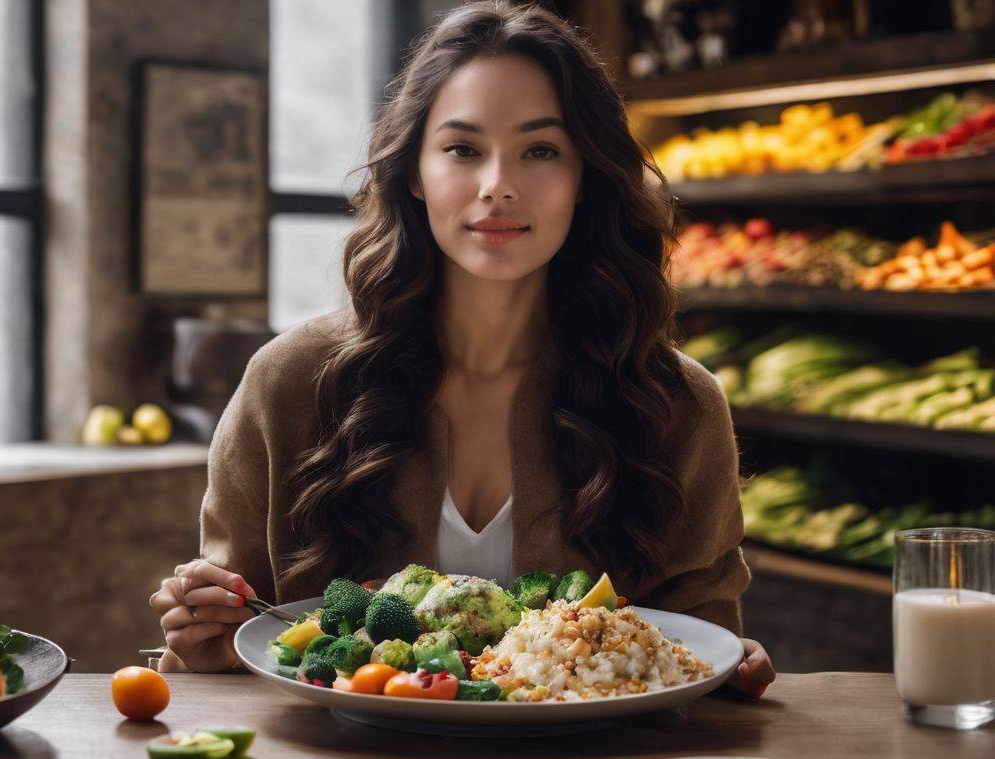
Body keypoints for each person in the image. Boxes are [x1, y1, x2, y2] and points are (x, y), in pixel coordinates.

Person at [149, 0, 775, 698]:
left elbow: (701, 652)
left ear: (585, 177)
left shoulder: (675, 404)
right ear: (414, 171)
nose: (497, 185)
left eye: (541, 150)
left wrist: (734, 671)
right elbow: (238, 638)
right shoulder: (290, 383)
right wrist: (203, 634)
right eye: (462, 149)